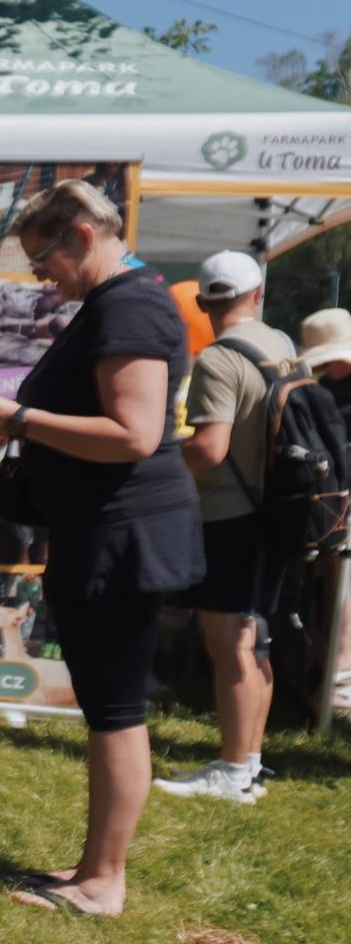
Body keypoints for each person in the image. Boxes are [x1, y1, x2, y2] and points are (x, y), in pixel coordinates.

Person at [0, 179, 201, 918]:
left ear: (82, 235)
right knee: (107, 705)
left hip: (123, 534)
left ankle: (101, 884)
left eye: (42, 259)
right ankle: (94, 865)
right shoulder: (118, 301)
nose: (39, 277)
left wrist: (21, 421)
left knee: (116, 707)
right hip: (104, 529)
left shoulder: (130, 305)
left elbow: (135, 434)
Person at [150, 252, 294, 804]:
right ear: (258, 295)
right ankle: (248, 763)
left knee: (229, 643)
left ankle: (232, 773)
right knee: (254, 641)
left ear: (202, 302)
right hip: (275, 511)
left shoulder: (218, 359)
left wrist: (155, 459)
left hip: (230, 515)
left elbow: (210, 449)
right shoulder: (280, 345)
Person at [294, 307, 351, 713]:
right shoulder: (325, 392)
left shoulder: (323, 393)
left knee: (340, 593)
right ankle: (329, 681)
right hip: (334, 509)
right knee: (331, 593)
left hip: (337, 510)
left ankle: (338, 683)